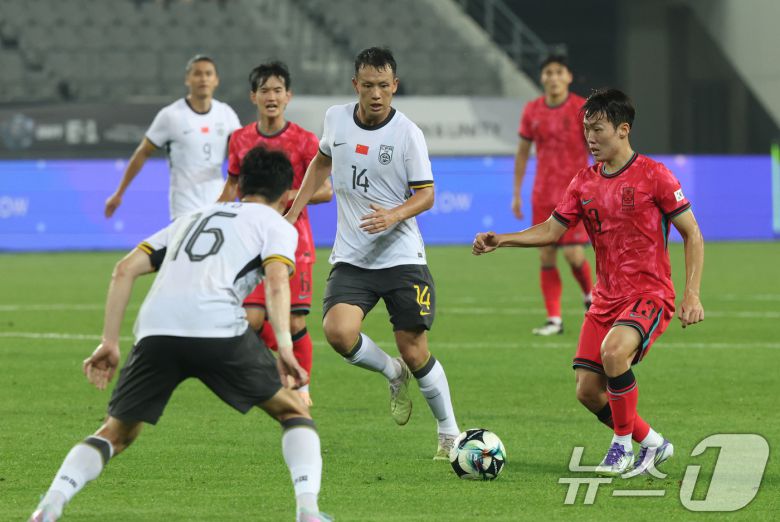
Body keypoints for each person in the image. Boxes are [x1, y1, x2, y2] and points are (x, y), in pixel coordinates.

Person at [30, 147, 332, 522]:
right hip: (218, 328)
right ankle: (308, 511)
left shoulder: (192, 217)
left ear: (239, 186)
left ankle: (51, 503)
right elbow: (275, 281)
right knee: (293, 411)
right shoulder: (277, 226)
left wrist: (109, 342)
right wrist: (284, 346)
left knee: (116, 433)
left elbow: (124, 270)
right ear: (287, 192)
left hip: (157, 330)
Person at [474, 88, 704, 476]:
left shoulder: (655, 176)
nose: (590, 139)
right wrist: (503, 240)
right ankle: (653, 443)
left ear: (623, 129)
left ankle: (621, 449)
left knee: (615, 353)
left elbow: (692, 234)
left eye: (597, 129)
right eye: (586, 130)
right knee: (587, 391)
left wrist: (691, 293)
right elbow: (552, 229)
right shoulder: (583, 182)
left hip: (649, 293)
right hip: (606, 299)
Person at [286, 47, 460, 459]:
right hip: (353, 255)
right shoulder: (335, 119)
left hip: (401, 255)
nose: (376, 94)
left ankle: (449, 431)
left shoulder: (408, 134)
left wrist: (394, 215)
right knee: (337, 332)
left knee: (414, 348)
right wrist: (293, 212)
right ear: (355, 86)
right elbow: (321, 162)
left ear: (395, 86)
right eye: (368, 86)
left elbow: (427, 194)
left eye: (384, 86)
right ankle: (391, 372)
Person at [218, 61, 333, 406]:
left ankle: (301, 390)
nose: (272, 96)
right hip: (250, 240)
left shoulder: (304, 140)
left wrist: (286, 197)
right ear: (253, 96)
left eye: (278, 90)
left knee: (295, 318)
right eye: (264, 90)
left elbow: (326, 190)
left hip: (292, 238)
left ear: (288, 96)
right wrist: (215, 213)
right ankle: (280, 372)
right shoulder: (240, 139)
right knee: (250, 319)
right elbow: (233, 184)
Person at [105, 54, 241, 221]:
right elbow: (143, 152)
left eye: (208, 74)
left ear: (216, 80)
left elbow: (242, 156)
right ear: (187, 79)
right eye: (197, 74)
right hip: (184, 207)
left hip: (219, 204)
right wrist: (119, 193)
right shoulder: (171, 116)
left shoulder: (225, 113)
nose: (203, 79)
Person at [513, 54, 594, 336]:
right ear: (542, 78)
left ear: (569, 77)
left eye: (559, 71)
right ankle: (554, 320)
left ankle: (590, 298)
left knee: (573, 255)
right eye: (548, 72)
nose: (554, 77)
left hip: (576, 194)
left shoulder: (582, 109)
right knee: (546, 255)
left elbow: (598, 146)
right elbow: (523, 153)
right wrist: (517, 193)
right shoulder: (532, 110)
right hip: (543, 194)